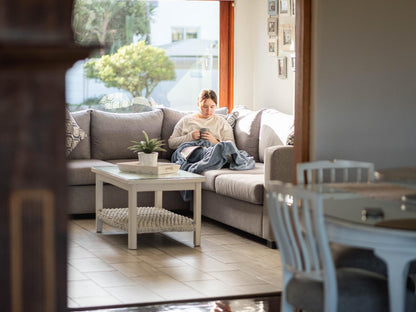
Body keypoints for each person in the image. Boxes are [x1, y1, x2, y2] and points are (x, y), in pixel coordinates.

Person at [168, 89, 235, 150]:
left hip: (212, 152)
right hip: (191, 153)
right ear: (198, 104)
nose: (209, 110)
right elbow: (171, 143)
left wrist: (214, 141)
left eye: (212, 107)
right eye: (205, 107)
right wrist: (190, 137)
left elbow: (231, 148)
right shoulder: (186, 120)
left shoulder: (221, 122)